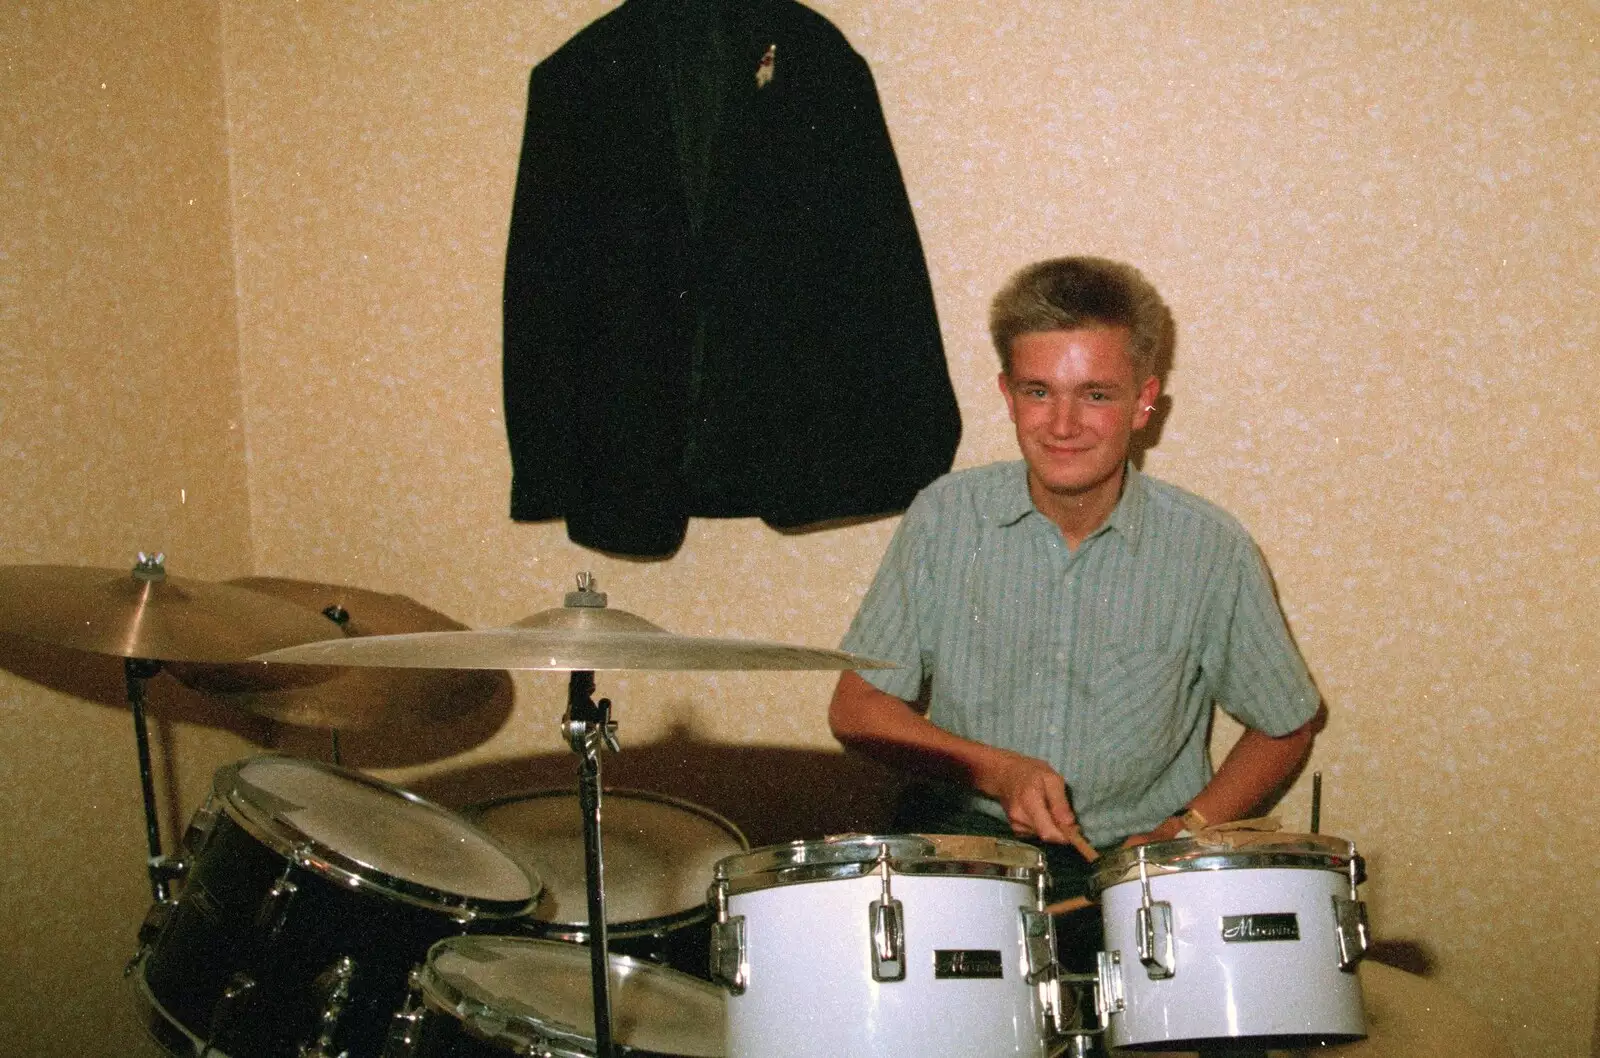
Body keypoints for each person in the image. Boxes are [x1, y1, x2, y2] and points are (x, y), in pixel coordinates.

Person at [828, 256, 1321, 969]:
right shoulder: (945, 516)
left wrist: (1188, 828)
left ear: (1144, 402)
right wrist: (996, 771)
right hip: (968, 854)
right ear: (1006, 394)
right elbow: (856, 708)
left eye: (1095, 395)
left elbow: (1286, 723)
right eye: (1038, 391)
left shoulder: (1210, 548)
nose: (1062, 424)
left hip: (1131, 868)